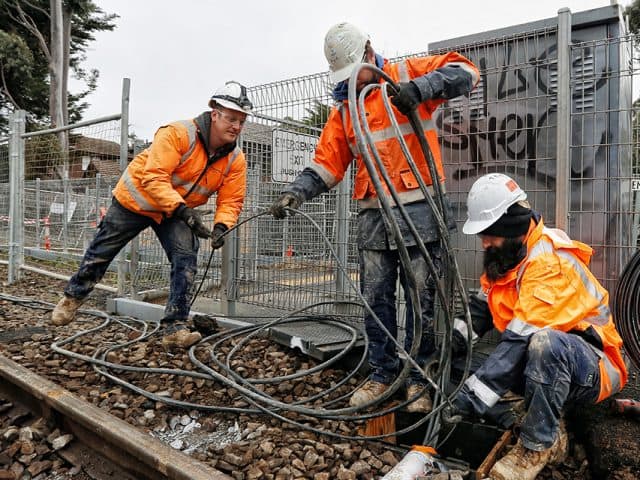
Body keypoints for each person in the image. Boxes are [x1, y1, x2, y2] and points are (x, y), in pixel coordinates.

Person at [269, 22, 479, 413]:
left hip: (420, 211)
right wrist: (296, 192)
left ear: (369, 51)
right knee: (375, 299)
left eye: (355, 71)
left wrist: (424, 89)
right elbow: (327, 164)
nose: (352, 81)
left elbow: (467, 71)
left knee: (422, 299)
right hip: (373, 217)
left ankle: (420, 379)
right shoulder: (344, 110)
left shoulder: (404, 76)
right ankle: (381, 372)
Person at [446, 173, 628, 480]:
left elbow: (519, 343)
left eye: (489, 233)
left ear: (510, 227)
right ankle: (520, 416)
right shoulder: (506, 256)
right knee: (457, 365)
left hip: (593, 364)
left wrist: (471, 400)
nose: (484, 241)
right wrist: (451, 344)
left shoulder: (547, 263)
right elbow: (481, 308)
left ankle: (539, 445)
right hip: (542, 359)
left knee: (544, 344)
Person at [51, 81, 253, 349]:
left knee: (186, 259)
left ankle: (175, 327)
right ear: (215, 113)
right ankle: (72, 297)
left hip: (174, 212)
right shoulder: (178, 134)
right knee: (101, 252)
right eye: (231, 118)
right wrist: (183, 211)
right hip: (135, 202)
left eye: (241, 121)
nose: (236, 126)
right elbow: (155, 178)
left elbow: (231, 200)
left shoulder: (235, 159)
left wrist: (221, 226)